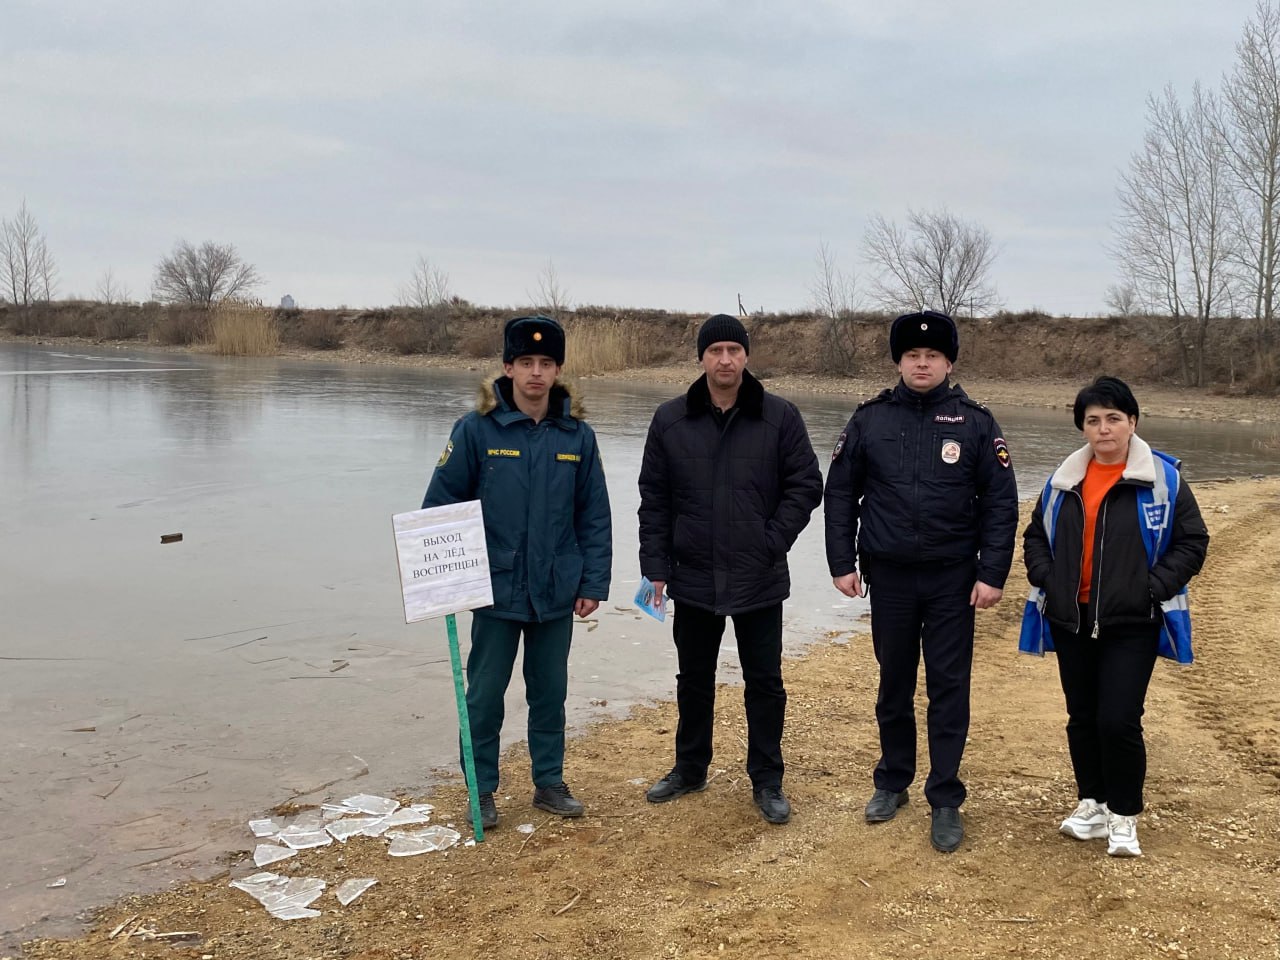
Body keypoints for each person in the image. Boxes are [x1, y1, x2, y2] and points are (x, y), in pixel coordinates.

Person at [823, 309, 1018, 853]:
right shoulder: (870, 420)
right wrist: (842, 561)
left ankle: (946, 797)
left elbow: (1001, 502)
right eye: (913, 355)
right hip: (888, 574)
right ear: (899, 361)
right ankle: (892, 781)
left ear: (949, 361)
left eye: (932, 355)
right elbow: (839, 493)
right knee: (894, 682)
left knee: (949, 686)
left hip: (953, 576)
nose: (922, 363)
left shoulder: (975, 423)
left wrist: (992, 572)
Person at [422, 315, 612, 829]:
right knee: (484, 697)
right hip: (495, 590)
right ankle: (481, 791)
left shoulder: (578, 436)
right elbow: (439, 510)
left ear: (558, 370)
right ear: (507, 367)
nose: (535, 373)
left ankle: (549, 783)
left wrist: (593, 582)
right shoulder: (475, 430)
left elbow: (594, 515)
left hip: (556, 591)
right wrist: (440, 580)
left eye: (545, 363)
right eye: (525, 362)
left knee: (549, 692)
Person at [638, 314, 822, 824]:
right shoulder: (670, 420)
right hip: (692, 576)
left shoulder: (779, 417)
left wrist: (771, 539)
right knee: (693, 679)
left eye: (733, 351)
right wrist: (655, 565)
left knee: (765, 683)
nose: (725, 360)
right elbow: (653, 500)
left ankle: (767, 780)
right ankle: (690, 768)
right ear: (701, 357)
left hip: (759, 576)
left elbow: (807, 484)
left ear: (746, 357)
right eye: (715, 350)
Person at [1020, 376, 1208, 857]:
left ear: (1132, 422)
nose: (1103, 429)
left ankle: (1124, 815)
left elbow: (1192, 542)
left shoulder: (1163, 479)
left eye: (1113, 419)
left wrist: (1153, 587)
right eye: (1093, 421)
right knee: (1081, 717)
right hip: (1071, 620)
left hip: (1132, 623)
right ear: (1083, 428)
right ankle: (1094, 804)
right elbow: (1035, 537)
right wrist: (1051, 578)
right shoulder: (1064, 480)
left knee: (1119, 719)